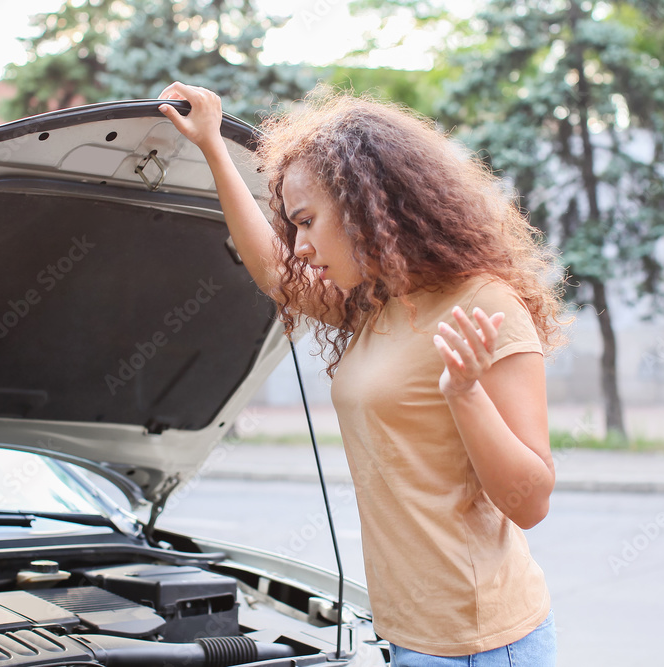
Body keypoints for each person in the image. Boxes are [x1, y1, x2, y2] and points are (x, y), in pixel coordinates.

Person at [158, 82, 567, 665]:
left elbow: (532, 502)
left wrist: (465, 393)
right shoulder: (380, 305)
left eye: (306, 222)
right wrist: (213, 147)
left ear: (365, 209)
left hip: (481, 642)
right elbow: (274, 273)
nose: (297, 245)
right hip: (408, 634)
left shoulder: (486, 305)